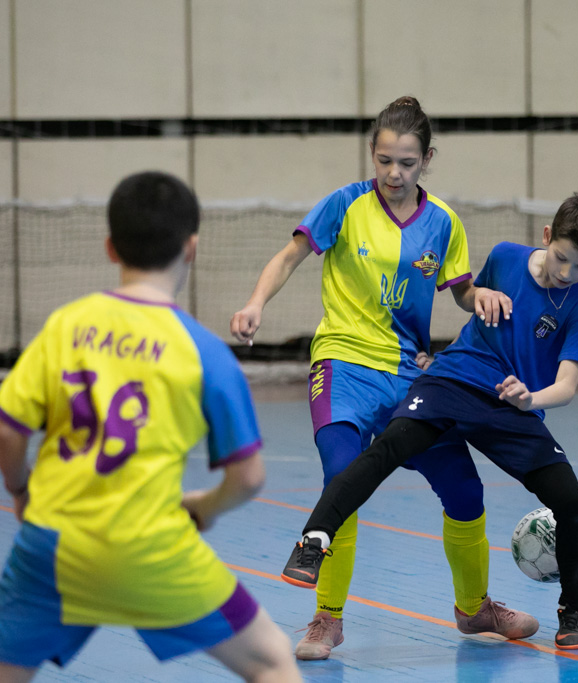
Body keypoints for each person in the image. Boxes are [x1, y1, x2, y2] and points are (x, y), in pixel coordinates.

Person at [0, 171, 301, 683]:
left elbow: (7, 432)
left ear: (110, 247)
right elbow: (248, 478)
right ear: (191, 248)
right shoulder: (204, 352)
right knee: (272, 659)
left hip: (54, 546)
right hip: (152, 549)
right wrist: (204, 508)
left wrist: (20, 490)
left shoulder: (67, 324)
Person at [230, 96, 537, 660]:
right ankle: (327, 619)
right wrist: (255, 303)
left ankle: (474, 608)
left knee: (465, 490)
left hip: (409, 375)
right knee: (341, 476)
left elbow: (460, 290)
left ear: (427, 161)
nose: (394, 173)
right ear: (372, 154)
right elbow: (289, 257)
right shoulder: (344, 205)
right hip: (343, 364)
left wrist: (481, 296)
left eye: (407, 163)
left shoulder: (443, 222)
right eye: (385, 161)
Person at [279, 193, 578, 651]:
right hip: (454, 380)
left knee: (571, 501)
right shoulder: (505, 257)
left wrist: (529, 398)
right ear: (546, 236)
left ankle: (573, 612)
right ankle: (314, 540)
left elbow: (567, 385)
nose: (566, 273)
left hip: (511, 404)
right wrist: (452, 334)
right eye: (561, 258)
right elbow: (474, 305)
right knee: (389, 447)